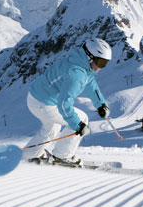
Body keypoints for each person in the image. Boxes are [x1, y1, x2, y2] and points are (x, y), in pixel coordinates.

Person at [23, 37, 111, 165]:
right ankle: (63, 156)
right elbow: (64, 104)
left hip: (36, 97)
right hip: (44, 103)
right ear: (90, 56)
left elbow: (90, 84)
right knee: (81, 119)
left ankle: (30, 155)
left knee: (52, 127)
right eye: (100, 62)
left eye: (105, 63)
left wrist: (100, 104)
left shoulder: (80, 62)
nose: (101, 67)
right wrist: (78, 125)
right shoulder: (76, 73)